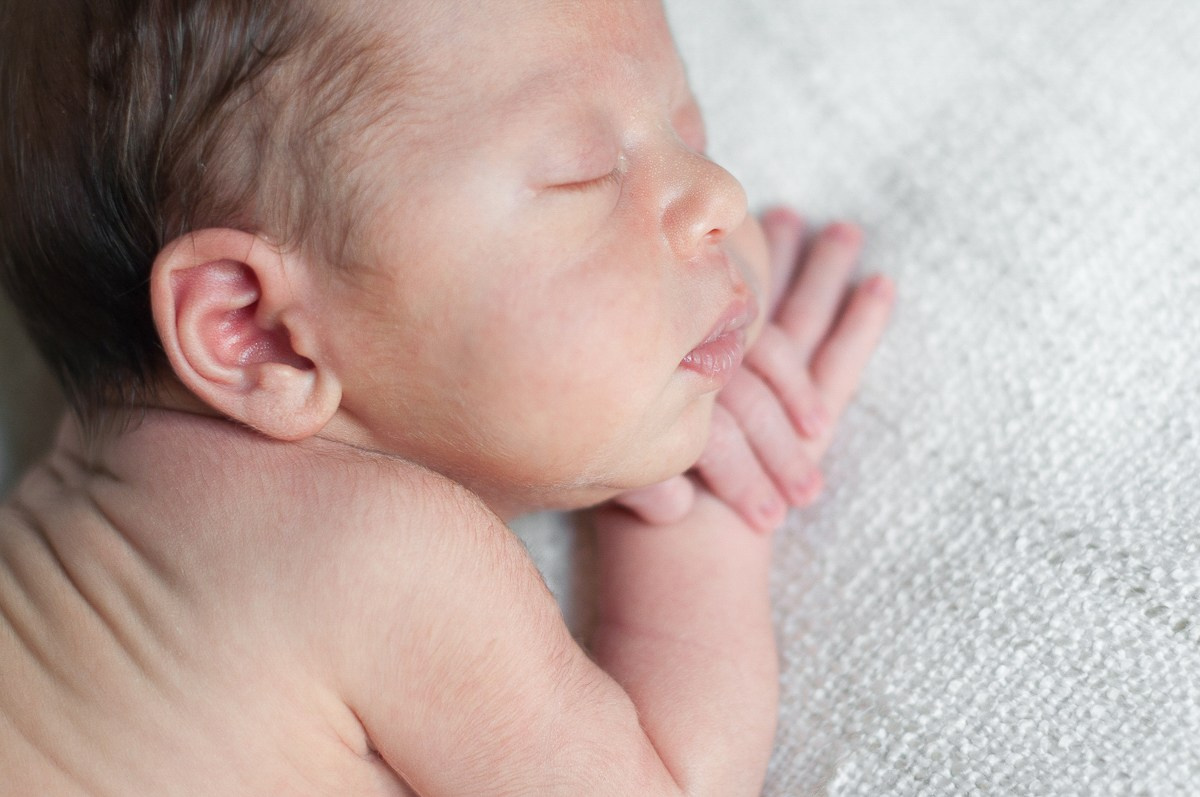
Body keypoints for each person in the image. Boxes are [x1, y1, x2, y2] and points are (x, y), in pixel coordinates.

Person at [0, 0, 893, 794]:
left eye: (687, 129)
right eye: (583, 175)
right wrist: (702, 518)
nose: (722, 195)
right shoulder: (379, 553)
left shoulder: (87, 484)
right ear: (257, 331)